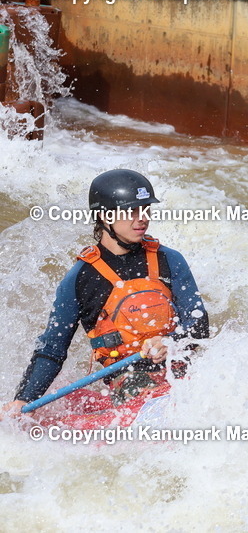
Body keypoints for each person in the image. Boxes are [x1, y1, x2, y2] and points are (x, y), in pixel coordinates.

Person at [2, 170, 210, 416]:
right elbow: (52, 350)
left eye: (145, 209)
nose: (141, 219)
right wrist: (24, 399)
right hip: (131, 379)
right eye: (130, 211)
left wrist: (170, 341)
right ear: (104, 216)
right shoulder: (80, 278)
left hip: (180, 367)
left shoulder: (169, 259)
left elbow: (199, 325)